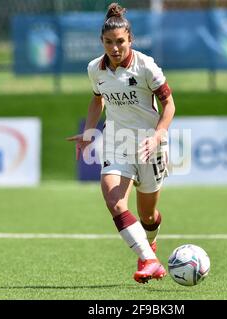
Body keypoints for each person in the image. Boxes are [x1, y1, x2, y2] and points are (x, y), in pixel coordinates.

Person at [66, 3, 176, 284]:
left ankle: (149, 245)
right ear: (101, 42)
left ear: (130, 40)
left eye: (120, 42)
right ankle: (150, 261)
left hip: (150, 145)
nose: (114, 48)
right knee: (114, 201)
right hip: (116, 141)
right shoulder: (95, 69)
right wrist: (90, 130)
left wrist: (157, 135)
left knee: (148, 215)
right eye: (108, 42)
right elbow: (96, 98)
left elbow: (169, 105)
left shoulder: (146, 66)